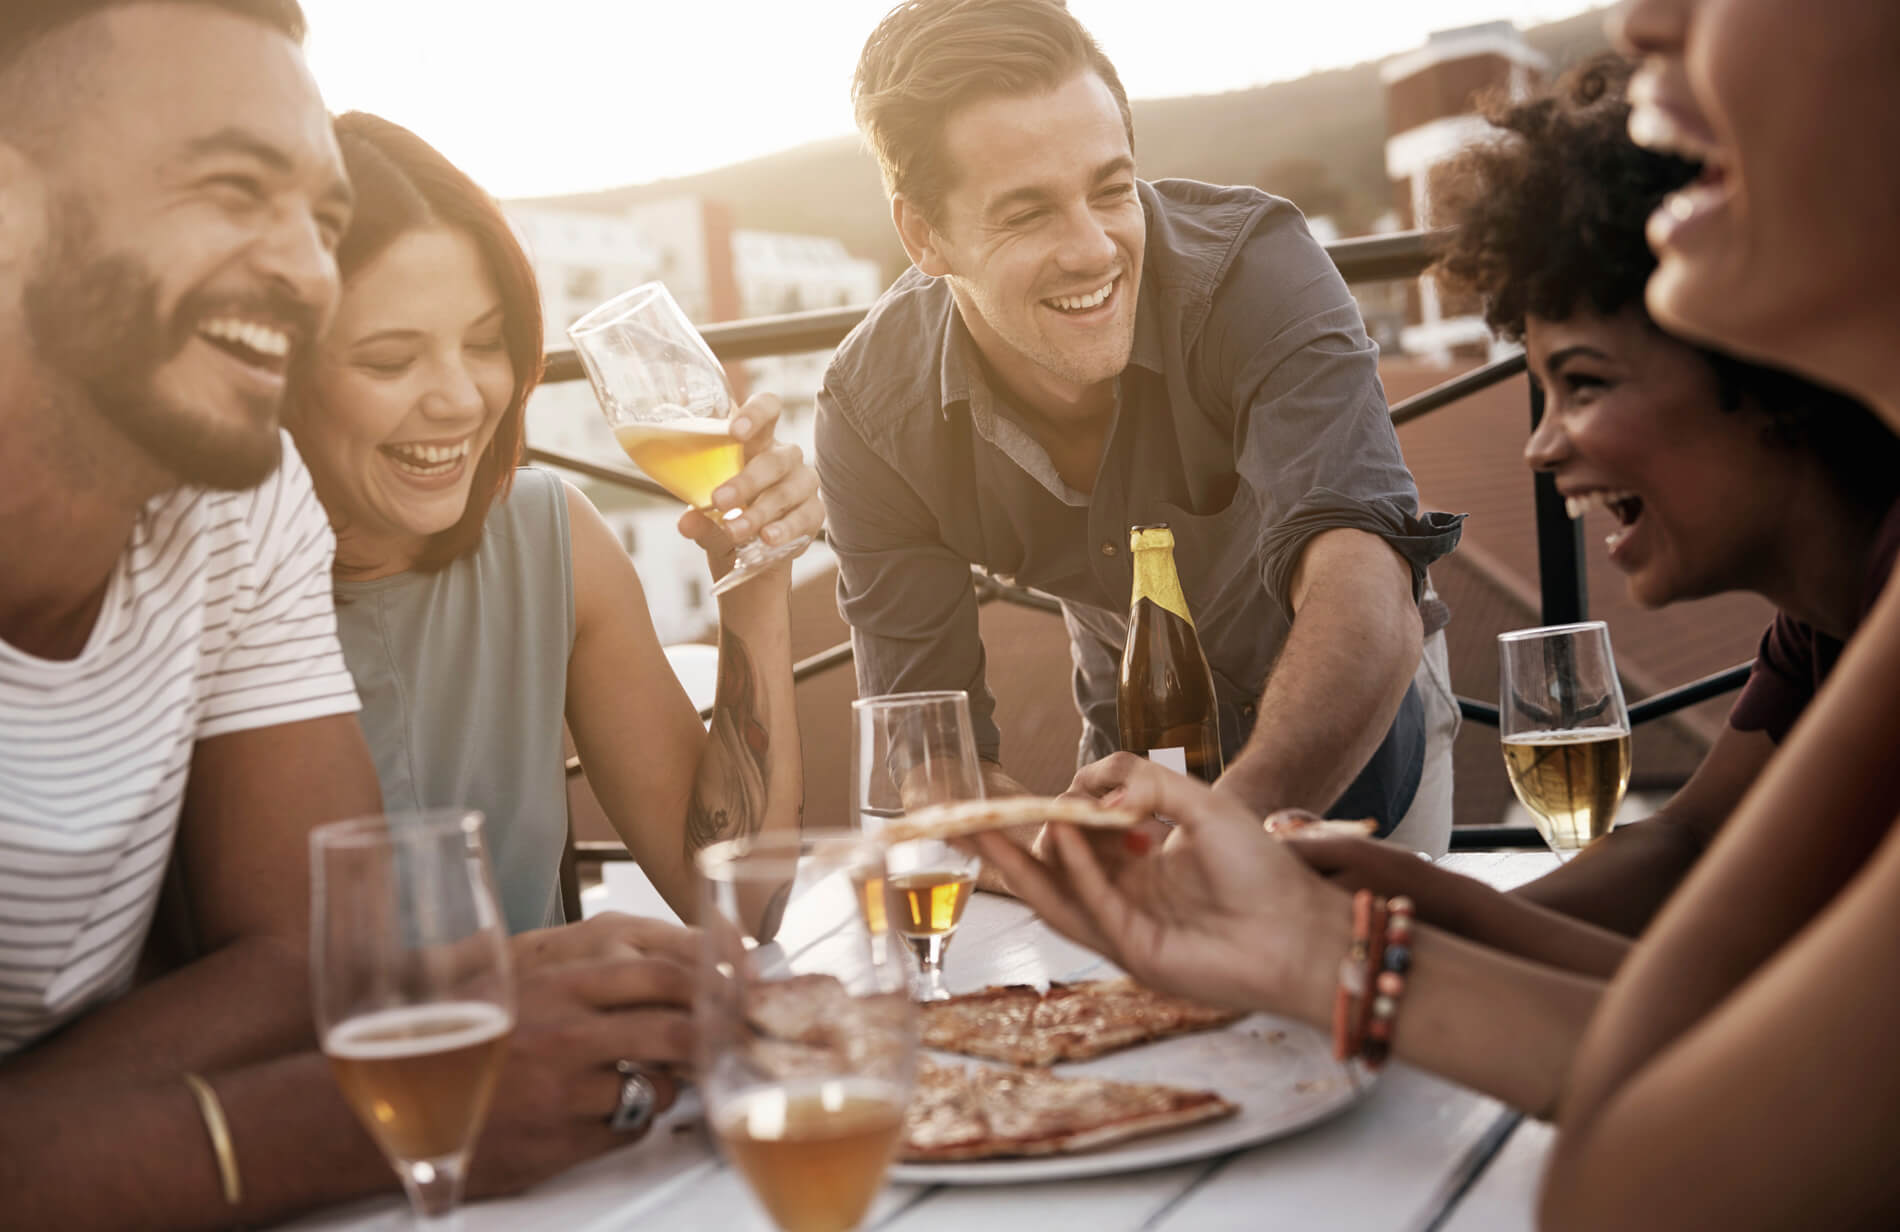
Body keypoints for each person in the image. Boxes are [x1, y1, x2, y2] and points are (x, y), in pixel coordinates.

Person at [982, 0, 1900, 1222]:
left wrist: (1337, 950)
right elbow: (1694, 974)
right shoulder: (1846, 617)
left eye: (1579, 381)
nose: (1645, 18)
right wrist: (1369, 906)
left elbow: (1650, 1156)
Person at [0, 5, 703, 1225]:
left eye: (320, 219)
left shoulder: (244, 499)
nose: (305, 271)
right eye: (230, 188)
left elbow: (300, 960)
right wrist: (404, 1102)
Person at [817, 0, 1464, 853]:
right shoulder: (871, 414)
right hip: (1133, 748)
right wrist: (1059, 863)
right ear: (924, 235)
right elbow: (929, 749)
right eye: (1026, 212)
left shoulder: (1256, 267)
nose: (1092, 249)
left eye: (1111, 189)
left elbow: (1367, 592)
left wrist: (1217, 843)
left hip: (1359, 717)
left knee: (1370, 980)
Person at [1292, 54, 1900, 949]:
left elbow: (1732, 1004)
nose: (1540, 446)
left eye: (1581, 385)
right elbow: (1689, 844)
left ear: (1764, 364)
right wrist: (1408, 916)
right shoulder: (1827, 620)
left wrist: (1380, 955)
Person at [286, 112, 820, 934]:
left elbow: (741, 904)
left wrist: (755, 582)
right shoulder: (198, 583)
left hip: (562, 1063)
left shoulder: (546, 536)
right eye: (391, 360)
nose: (461, 399)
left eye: (487, 343)